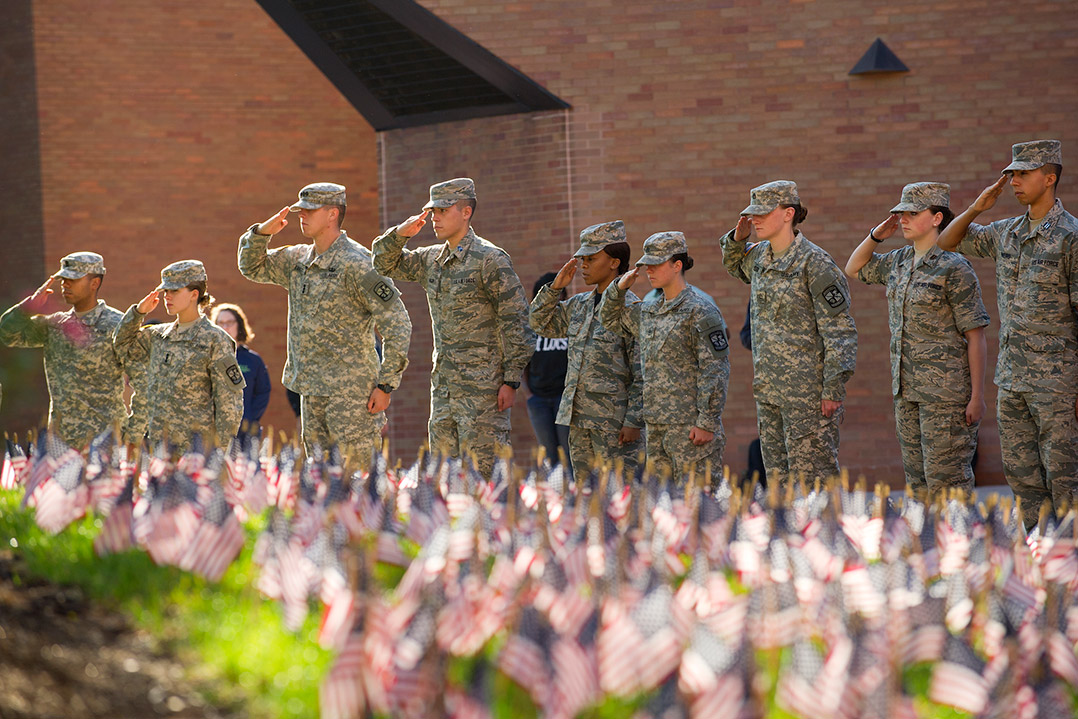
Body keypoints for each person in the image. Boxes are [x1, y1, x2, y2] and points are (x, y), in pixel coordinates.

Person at [936, 140, 1078, 529]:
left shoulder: (1071, 236)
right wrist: (977, 209)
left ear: (1049, 179)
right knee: (1024, 478)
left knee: (1066, 481)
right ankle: (1036, 558)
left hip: (1058, 383)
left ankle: (1070, 566)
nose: (1014, 181)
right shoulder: (1007, 232)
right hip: (1013, 379)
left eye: (1024, 173)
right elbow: (947, 241)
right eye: (1011, 173)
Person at [372, 178, 535, 478]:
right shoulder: (432, 260)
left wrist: (511, 380)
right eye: (433, 211)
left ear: (466, 212)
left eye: (443, 210)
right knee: (443, 478)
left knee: (486, 477)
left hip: (483, 391)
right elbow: (382, 264)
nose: (435, 218)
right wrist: (399, 235)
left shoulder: (490, 260)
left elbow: (517, 322)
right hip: (444, 389)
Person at [238, 182, 411, 462]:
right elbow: (252, 267)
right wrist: (261, 234)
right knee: (319, 480)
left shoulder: (359, 263)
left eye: (310, 210)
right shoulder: (299, 260)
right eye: (300, 211)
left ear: (332, 214)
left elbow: (398, 323)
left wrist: (386, 384)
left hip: (352, 394)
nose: (301, 216)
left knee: (357, 477)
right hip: (311, 391)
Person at [845, 182, 989, 494]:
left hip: (945, 394)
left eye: (912, 212)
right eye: (900, 213)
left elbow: (975, 335)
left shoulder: (954, 266)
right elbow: (853, 268)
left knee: (947, 483)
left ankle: (957, 541)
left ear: (937, 218)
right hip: (906, 389)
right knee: (918, 483)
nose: (903, 220)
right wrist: (875, 237)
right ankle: (926, 542)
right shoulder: (898, 261)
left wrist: (977, 396)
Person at [720, 180, 857, 483]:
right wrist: (736, 239)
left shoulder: (815, 263)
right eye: (751, 213)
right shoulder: (758, 257)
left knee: (814, 484)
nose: (754, 219)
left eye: (763, 213)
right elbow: (733, 265)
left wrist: (833, 388)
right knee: (778, 487)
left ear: (788, 214)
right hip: (769, 391)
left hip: (807, 396)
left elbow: (840, 331)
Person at [598, 231, 728, 483]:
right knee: (663, 507)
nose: (649, 271)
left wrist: (707, 422)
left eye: (656, 264)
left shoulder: (701, 310)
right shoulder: (648, 311)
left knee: (697, 505)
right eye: (647, 265)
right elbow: (609, 318)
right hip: (656, 427)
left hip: (690, 428)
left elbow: (715, 369)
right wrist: (618, 289)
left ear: (677, 265)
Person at [529, 220, 643, 484]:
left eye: (591, 259)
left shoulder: (631, 308)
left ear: (614, 262)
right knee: (585, 498)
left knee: (620, 497)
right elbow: (538, 323)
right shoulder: (579, 305)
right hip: (578, 422)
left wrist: (633, 420)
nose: (584, 265)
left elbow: (642, 370)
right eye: (582, 259)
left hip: (613, 426)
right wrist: (554, 289)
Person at [0, 252, 127, 447]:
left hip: (106, 441)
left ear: (94, 284)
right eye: (63, 279)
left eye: (72, 279)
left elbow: (142, 379)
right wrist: (27, 308)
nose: (65, 284)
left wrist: (134, 434)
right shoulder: (55, 325)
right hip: (62, 442)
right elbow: (7, 334)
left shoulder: (118, 324)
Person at [112, 260, 244, 447]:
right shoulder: (158, 335)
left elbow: (229, 404)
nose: (167, 296)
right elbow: (121, 344)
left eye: (174, 291)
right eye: (165, 291)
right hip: (156, 447)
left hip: (195, 451)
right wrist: (138, 312)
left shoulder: (215, 340)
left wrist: (219, 452)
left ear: (194, 294)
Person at [524, 272, 573, 473]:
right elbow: (523, 362)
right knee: (550, 455)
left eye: (559, 294)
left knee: (570, 455)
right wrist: (529, 394)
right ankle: (555, 498)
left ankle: (573, 499)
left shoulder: (570, 323)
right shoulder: (531, 326)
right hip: (539, 400)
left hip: (565, 399)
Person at [211, 303, 272, 435]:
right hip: (213, 431)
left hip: (245, 431)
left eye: (230, 322)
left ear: (239, 324)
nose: (225, 327)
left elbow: (263, 392)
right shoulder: (208, 357)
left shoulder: (253, 360)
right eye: (220, 323)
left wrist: (249, 418)